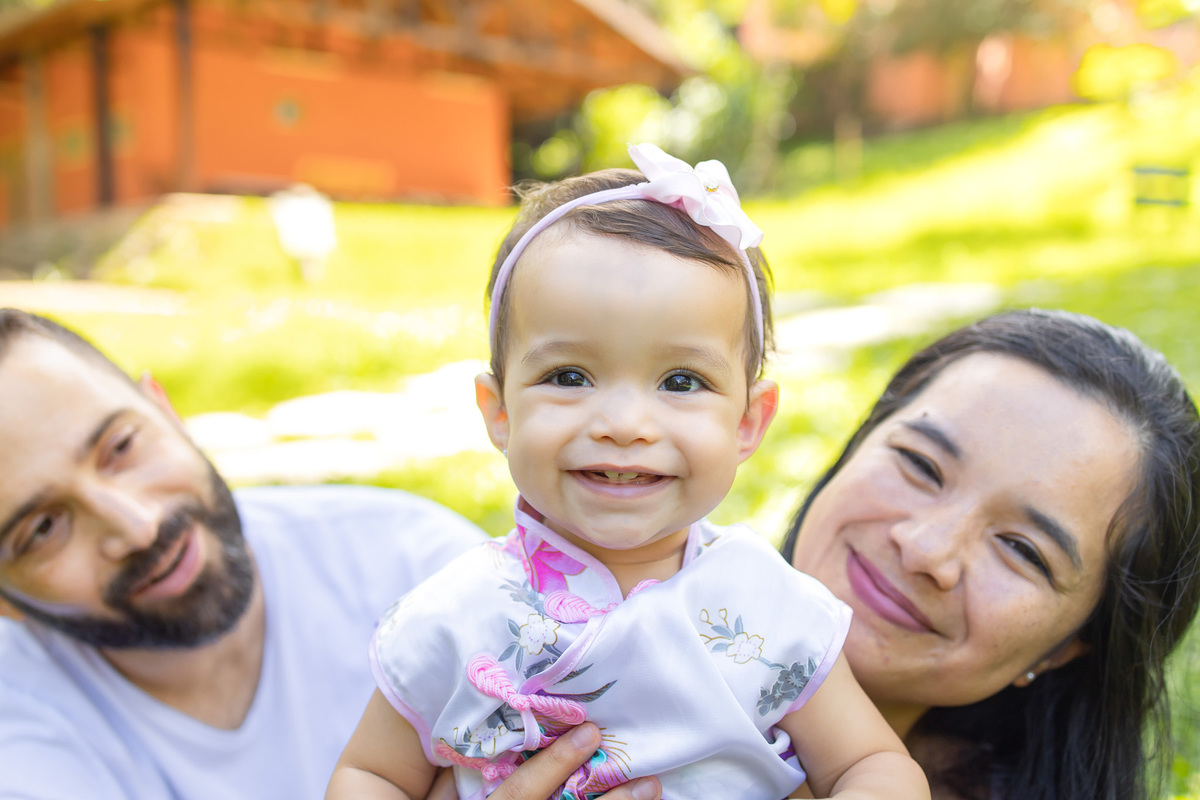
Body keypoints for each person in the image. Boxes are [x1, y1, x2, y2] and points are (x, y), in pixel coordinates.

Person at [327, 144, 930, 800]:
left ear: (747, 422)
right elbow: (371, 775)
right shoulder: (457, 614)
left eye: (681, 381)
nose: (624, 423)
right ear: (498, 411)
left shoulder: (766, 604)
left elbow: (873, 766)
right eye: (569, 376)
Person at [482, 307, 1200, 800]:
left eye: (1020, 548)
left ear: (1072, 644)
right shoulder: (526, 638)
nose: (926, 549)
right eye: (921, 465)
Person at [0, 309, 488, 798]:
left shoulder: (419, 568)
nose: (139, 528)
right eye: (43, 528)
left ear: (165, 409)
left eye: (122, 446)